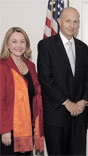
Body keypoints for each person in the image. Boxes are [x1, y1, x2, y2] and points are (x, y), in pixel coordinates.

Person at [37, 7, 88, 155]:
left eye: (76, 21)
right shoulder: (46, 46)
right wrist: (67, 102)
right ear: (59, 21)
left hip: (79, 117)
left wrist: (83, 101)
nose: (72, 25)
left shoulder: (83, 48)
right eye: (68, 21)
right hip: (56, 116)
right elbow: (45, 79)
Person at [0, 27, 44, 155]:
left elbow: (35, 96)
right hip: (10, 129)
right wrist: (5, 130)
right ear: (7, 44)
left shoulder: (31, 66)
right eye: (14, 41)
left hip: (28, 128)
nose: (18, 45)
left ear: (27, 44)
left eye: (22, 41)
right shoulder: (2, 66)